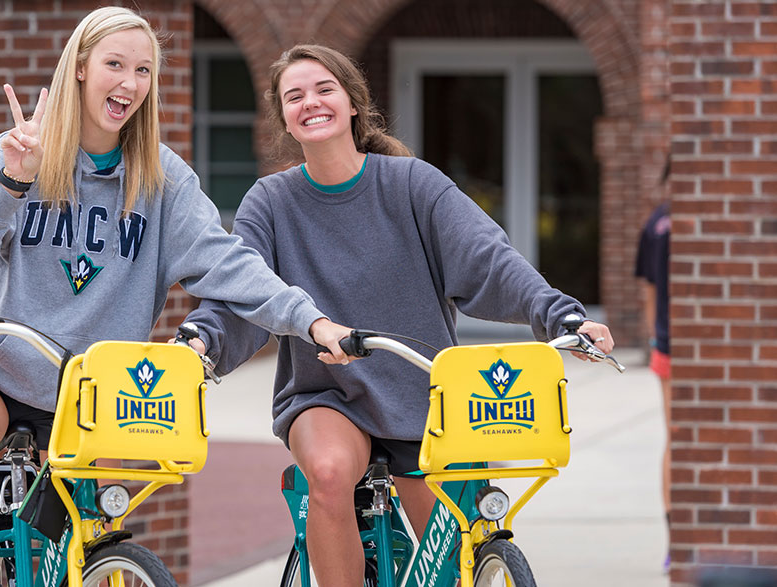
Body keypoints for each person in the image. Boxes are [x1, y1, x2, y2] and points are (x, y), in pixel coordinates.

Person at [0, 12, 350, 587]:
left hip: (95, 397)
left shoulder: (162, 180)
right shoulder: (14, 153)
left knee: (85, 539)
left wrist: (311, 321)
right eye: (115, 64)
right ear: (80, 68)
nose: (129, 82)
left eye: (143, 70)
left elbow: (229, 265)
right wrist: (11, 185)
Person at [183, 44, 615, 587]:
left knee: (458, 547)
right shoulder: (270, 202)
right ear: (284, 119)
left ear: (353, 103)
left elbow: (489, 259)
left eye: (324, 90)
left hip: (424, 390)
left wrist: (561, 317)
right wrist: (203, 341)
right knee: (331, 473)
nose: (310, 103)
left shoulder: (413, 184)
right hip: (326, 391)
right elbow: (243, 293)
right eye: (294, 96)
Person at [635, 194, 670, 572]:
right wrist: (653, 336)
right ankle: (676, 539)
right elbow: (648, 286)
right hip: (670, 346)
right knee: (676, 437)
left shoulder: (656, 222)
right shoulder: (658, 224)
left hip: (669, 343)